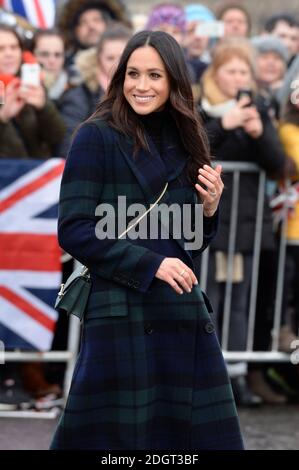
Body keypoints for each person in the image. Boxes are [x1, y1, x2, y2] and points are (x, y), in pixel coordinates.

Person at [50, 30, 244, 450]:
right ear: (119, 77)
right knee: (112, 443)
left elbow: (185, 238)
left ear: (174, 81)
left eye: (155, 75)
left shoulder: (188, 137)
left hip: (180, 310)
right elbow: (74, 229)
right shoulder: (95, 136)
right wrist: (151, 264)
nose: (142, 85)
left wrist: (209, 210)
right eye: (133, 73)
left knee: (191, 443)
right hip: (120, 311)